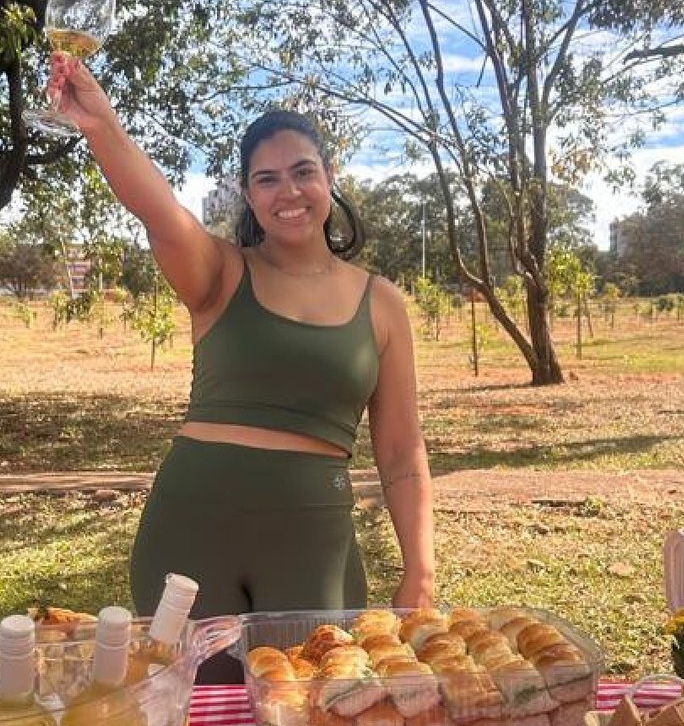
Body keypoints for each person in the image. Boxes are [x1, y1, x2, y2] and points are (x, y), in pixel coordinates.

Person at [49, 54, 435, 628]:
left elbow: (401, 452)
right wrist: (102, 125)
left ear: (330, 177)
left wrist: (420, 568)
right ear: (248, 195)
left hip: (314, 543)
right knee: (191, 687)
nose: (289, 191)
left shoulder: (381, 303)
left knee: (316, 683)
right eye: (267, 179)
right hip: (190, 531)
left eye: (303, 171)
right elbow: (159, 210)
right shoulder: (221, 272)